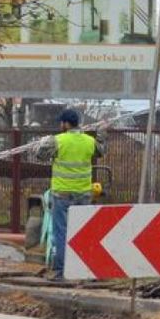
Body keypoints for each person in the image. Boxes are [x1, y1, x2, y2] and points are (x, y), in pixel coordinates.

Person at [36, 108, 104, 280]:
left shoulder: (58, 141)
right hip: (84, 194)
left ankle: (61, 271)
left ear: (66, 124)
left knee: (61, 233)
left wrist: (43, 143)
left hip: (62, 194)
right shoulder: (89, 141)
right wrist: (102, 135)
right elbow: (101, 151)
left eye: (62, 122)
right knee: (83, 232)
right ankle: (84, 270)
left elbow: (40, 155)